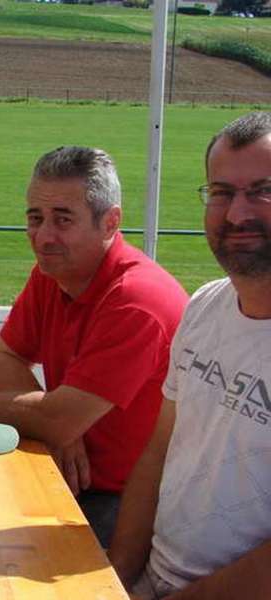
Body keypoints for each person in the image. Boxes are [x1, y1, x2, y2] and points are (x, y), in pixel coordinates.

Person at [0, 146, 188, 547]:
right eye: (35, 219)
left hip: (127, 502)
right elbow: (1, 361)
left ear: (110, 222)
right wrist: (58, 422)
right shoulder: (55, 273)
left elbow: (54, 417)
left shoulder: (138, 301)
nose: (44, 236)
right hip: (62, 468)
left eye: (63, 220)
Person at [108, 112, 271, 599]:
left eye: (262, 190)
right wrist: (114, 579)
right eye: (221, 192)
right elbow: (160, 451)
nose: (237, 214)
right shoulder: (204, 306)